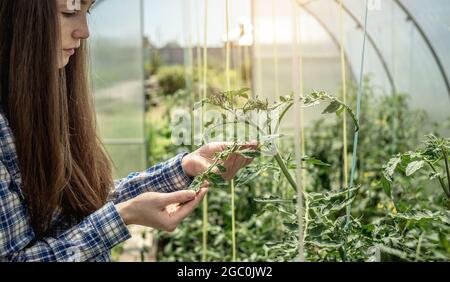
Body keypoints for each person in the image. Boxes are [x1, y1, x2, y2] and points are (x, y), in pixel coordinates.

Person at [0, 0, 254, 261]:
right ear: (18, 16)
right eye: (69, 12)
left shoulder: (37, 105)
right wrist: (123, 216)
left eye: (86, 12)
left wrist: (185, 167)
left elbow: (74, 209)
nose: (84, 31)